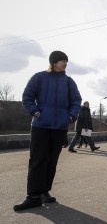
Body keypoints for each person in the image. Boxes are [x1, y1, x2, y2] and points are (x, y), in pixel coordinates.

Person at [14, 51, 82, 211]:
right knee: (37, 160)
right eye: (61, 60)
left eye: (66, 61)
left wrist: (70, 117)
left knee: (52, 161)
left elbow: (76, 100)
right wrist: (35, 112)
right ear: (53, 62)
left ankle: (44, 191)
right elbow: (27, 96)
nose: (65, 63)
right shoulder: (39, 77)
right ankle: (33, 196)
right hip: (40, 126)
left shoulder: (69, 81)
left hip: (59, 127)